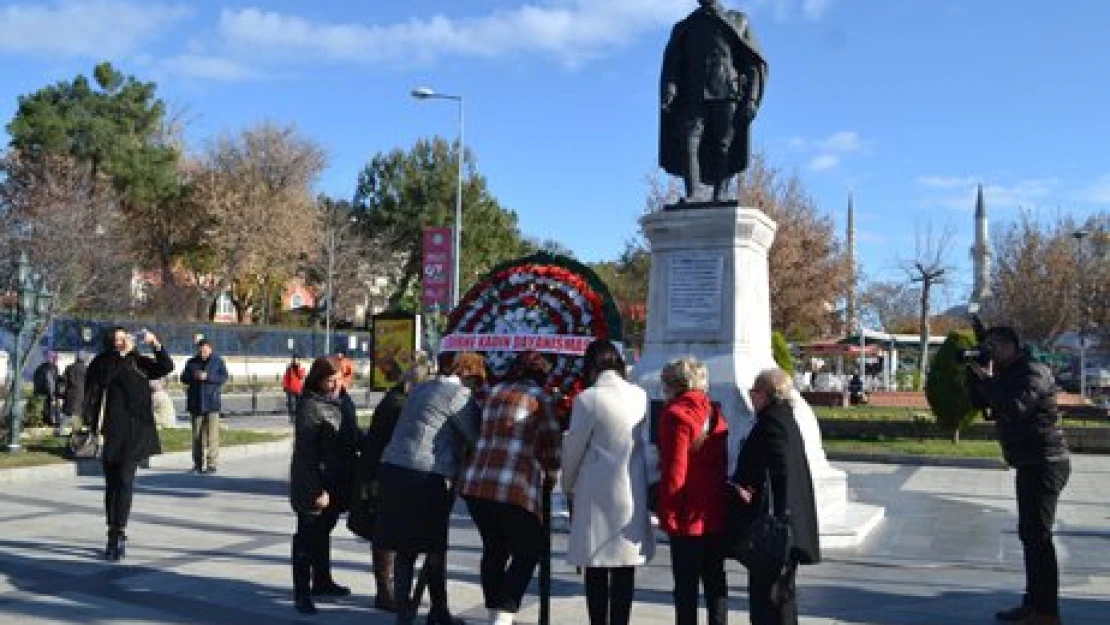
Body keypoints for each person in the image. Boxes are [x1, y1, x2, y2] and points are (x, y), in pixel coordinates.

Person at [374, 351, 486, 625]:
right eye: (477, 383)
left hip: (393, 468)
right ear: (468, 376)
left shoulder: (423, 388)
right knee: (435, 546)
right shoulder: (458, 397)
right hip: (426, 475)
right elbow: (476, 437)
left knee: (405, 546)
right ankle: (439, 612)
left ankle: (404, 613)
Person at [967, 326, 1070, 625]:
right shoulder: (1006, 372)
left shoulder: (1033, 371)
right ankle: (1033, 604)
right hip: (1029, 461)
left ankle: (1047, 612)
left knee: (1039, 537)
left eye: (995, 345)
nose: (991, 351)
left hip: (1046, 462)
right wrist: (973, 377)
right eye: (988, 346)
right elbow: (981, 403)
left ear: (1012, 345)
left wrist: (989, 380)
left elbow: (1015, 407)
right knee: (1030, 536)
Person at [461, 351, 563, 625]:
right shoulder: (540, 398)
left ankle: (496, 610)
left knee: (494, 548)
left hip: (477, 485)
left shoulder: (495, 391)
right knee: (530, 550)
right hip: (513, 487)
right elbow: (553, 444)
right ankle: (503, 615)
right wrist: (553, 469)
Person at [561, 339, 655, 625]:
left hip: (596, 490)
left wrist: (567, 484)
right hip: (631, 487)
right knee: (625, 568)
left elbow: (574, 448)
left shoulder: (588, 399)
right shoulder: (640, 396)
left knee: (596, 568)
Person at [731, 369, 820, 625]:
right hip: (789, 523)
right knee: (781, 595)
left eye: (753, 393)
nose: (750, 398)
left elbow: (756, 470)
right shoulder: (786, 420)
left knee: (769, 598)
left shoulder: (769, 424)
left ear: (765, 394)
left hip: (775, 529)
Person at [660, 0, 768, 202]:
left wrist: (752, 99)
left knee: (725, 144)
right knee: (688, 143)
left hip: (727, 93)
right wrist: (670, 87)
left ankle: (722, 192)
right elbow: (675, 62)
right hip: (693, 94)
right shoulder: (686, 26)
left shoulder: (737, 20)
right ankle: (694, 193)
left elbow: (752, 64)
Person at [83, 327, 174, 561]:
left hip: (134, 434)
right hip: (110, 432)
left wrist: (155, 344)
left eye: (124, 339)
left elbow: (165, 367)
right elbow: (103, 379)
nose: (120, 343)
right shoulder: (102, 362)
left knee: (125, 481)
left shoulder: (138, 361)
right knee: (112, 484)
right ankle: (112, 528)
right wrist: (121, 358)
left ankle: (118, 532)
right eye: (116, 340)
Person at [355, 352, 433, 613]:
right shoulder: (398, 405)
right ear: (413, 386)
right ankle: (385, 592)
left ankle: (392, 590)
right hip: (380, 475)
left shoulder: (398, 400)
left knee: (389, 532)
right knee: (385, 535)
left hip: (382, 471)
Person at [656, 356, 730, 625]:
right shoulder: (714, 412)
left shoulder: (676, 415)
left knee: (686, 587)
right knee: (715, 581)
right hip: (713, 508)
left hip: (688, 512)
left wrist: (668, 512)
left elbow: (676, 470)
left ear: (674, 384)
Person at [289, 356, 359, 615]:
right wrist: (317, 490)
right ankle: (302, 593)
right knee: (306, 536)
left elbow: (350, 435)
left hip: (335, 479)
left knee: (323, 532)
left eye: (338, 378)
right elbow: (306, 455)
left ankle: (322, 581)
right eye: (329, 380)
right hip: (313, 483)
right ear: (318, 380)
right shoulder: (310, 406)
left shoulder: (341, 400)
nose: (334, 384)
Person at [180, 339, 229, 474]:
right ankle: (197, 464)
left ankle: (212, 464)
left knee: (212, 436)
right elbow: (183, 377)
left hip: (212, 403)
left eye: (206, 349)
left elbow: (224, 377)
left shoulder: (218, 361)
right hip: (196, 404)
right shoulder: (191, 362)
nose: (203, 352)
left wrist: (208, 376)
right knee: (196, 436)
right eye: (201, 349)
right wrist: (193, 376)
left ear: (210, 349)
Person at [59, 351, 88, 432]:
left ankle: (61, 429)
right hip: (82, 394)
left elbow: (63, 381)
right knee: (77, 413)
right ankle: (76, 430)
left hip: (70, 393)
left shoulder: (69, 368)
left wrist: (62, 392)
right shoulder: (86, 369)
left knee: (68, 413)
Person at [32, 351, 60, 427]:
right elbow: (50, 383)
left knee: (44, 410)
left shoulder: (39, 368)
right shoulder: (52, 368)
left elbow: (36, 381)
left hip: (40, 394)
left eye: (56, 358)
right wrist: (52, 396)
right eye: (54, 358)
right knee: (51, 409)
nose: (56, 360)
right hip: (49, 393)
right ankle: (53, 423)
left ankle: (46, 421)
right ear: (50, 358)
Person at [283, 355, 307, 423]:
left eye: (296, 360)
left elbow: (301, 376)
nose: (295, 361)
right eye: (294, 359)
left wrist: (298, 368)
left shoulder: (300, 367)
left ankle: (298, 417)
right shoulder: (289, 368)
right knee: (291, 404)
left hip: (298, 389)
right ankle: (292, 417)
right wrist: (285, 386)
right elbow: (286, 377)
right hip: (290, 389)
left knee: (299, 404)